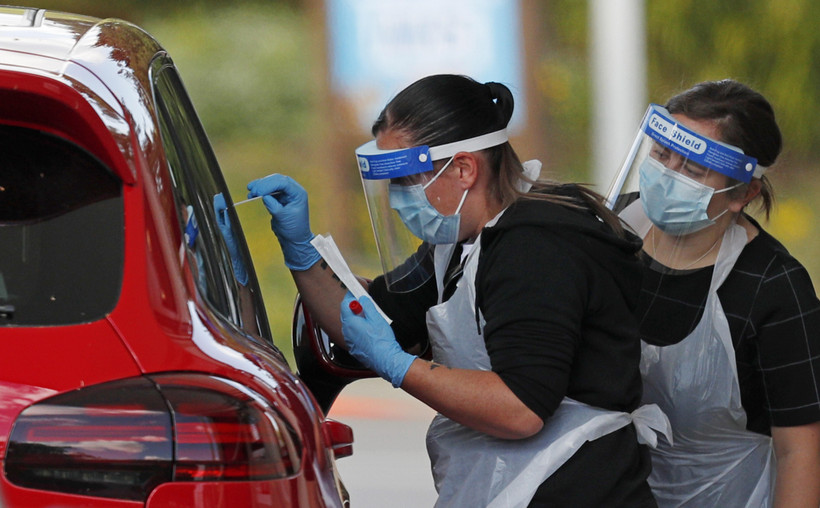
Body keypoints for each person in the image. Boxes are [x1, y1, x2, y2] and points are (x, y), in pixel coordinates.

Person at [248, 74, 669, 507]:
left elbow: (520, 409)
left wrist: (399, 366)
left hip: (579, 486)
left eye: (407, 180)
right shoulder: (458, 240)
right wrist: (300, 251)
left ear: (465, 168)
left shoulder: (537, 247)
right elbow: (368, 322)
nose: (396, 199)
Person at [607, 79, 820, 507]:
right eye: (662, 156)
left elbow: (800, 450)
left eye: (693, 169)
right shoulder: (609, 232)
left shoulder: (774, 288)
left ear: (743, 193)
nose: (668, 176)